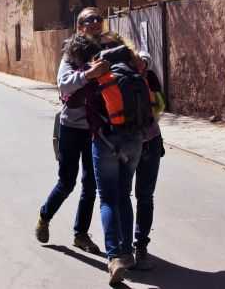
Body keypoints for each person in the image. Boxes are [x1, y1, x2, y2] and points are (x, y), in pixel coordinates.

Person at [35, 7, 110, 254]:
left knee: (91, 184)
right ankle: (45, 216)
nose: (96, 23)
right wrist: (90, 74)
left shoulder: (110, 49)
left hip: (96, 129)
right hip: (71, 127)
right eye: (90, 19)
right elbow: (64, 85)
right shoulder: (71, 54)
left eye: (99, 18)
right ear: (80, 27)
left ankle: (80, 234)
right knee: (67, 182)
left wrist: (143, 59)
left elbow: (133, 59)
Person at [83, 37, 154, 285]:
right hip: (134, 140)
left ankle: (114, 256)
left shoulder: (99, 71)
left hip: (105, 141)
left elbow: (80, 101)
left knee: (107, 199)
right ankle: (128, 252)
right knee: (124, 195)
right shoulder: (136, 69)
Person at [132, 51, 166, 270]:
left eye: (143, 62)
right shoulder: (118, 79)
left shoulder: (150, 80)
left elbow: (159, 108)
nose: (141, 65)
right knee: (123, 197)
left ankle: (139, 245)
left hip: (148, 142)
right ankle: (126, 247)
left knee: (143, 197)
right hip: (129, 144)